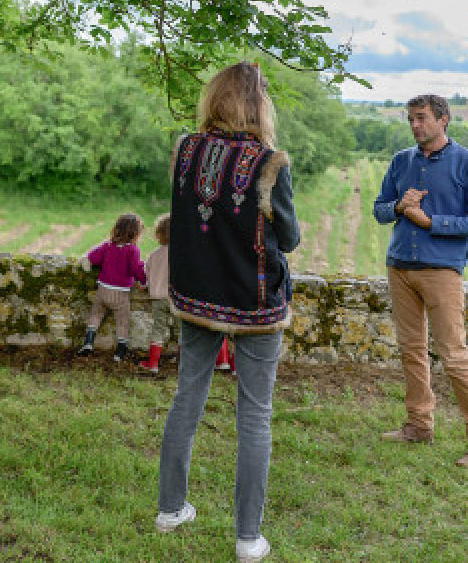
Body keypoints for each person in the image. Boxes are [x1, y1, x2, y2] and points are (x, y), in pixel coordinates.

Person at [155, 62, 300, 563]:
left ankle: (170, 509)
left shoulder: (185, 149)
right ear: (259, 103)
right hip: (255, 301)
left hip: (197, 296)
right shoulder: (270, 162)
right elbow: (289, 238)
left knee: (186, 398)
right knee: (254, 415)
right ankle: (247, 539)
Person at [372, 94, 468, 468]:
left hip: (442, 271)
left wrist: (431, 222)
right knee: (411, 350)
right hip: (399, 267)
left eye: (422, 118)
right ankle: (418, 426)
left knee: (454, 355)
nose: (414, 125)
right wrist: (399, 206)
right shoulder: (401, 161)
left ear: (443, 120)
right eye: (410, 118)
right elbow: (379, 210)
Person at [77, 212, 147, 361]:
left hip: (103, 289)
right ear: (135, 233)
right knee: (122, 321)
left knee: (96, 314)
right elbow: (136, 269)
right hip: (120, 293)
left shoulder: (108, 245)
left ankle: (88, 342)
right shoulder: (133, 250)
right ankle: (120, 351)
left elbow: (93, 257)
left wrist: (86, 260)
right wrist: (144, 280)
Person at [139, 213, 172, 374]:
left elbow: (145, 276)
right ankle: (183, 364)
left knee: (158, 330)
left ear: (159, 233)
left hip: (158, 298)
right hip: (176, 299)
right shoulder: (182, 254)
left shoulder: (154, 254)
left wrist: (145, 286)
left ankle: (153, 364)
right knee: (181, 331)